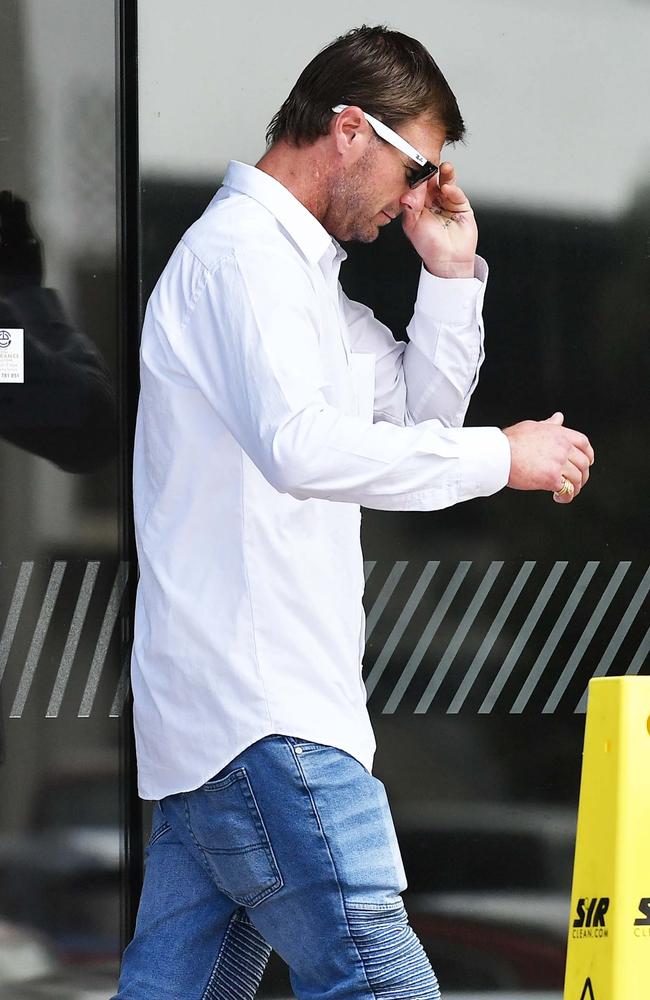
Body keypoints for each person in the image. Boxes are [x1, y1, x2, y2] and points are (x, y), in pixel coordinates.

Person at [114, 25, 594, 1000]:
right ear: (346, 129)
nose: (417, 195)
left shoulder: (310, 291)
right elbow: (301, 447)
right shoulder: (242, 263)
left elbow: (413, 433)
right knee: (382, 982)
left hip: (239, 718)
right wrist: (503, 455)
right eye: (415, 167)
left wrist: (450, 275)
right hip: (265, 712)